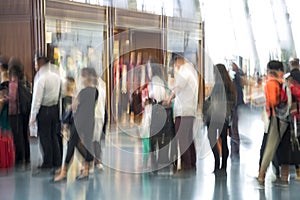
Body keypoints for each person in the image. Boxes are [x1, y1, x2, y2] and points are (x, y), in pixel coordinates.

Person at [52, 67, 99, 182]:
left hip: (78, 121)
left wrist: (66, 120)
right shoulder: (95, 92)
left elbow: (73, 106)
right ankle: (86, 169)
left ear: (86, 77)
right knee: (85, 143)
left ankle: (64, 172)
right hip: (90, 121)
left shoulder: (83, 92)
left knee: (71, 144)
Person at [257, 60, 289, 186]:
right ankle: (284, 176)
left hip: (275, 118)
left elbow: (272, 101)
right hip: (286, 117)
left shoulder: (271, 83)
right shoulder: (284, 82)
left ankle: (261, 175)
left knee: (269, 147)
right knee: (284, 147)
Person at [203, 64, 236, 176]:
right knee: (224, 141)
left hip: (214, 117)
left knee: (212, 139)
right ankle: (224, 167)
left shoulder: (218, 84)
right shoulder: (230, 85)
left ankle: (217, 163)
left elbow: (211, 100)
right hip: (225, 117)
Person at [168, 54, 198, 175]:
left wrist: (169, 98)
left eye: (175, 63)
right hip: (190, 110)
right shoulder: (192, 71)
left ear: (178, 60)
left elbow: (177, 88)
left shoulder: (184, 70)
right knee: (189, 138)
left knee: (182, 138)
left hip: (184, 110)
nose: (176, 66)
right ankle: (191, 163)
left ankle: (186, 165)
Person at [29, 56, 61, 169]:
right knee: (54, 135)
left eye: (35, 63)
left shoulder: (41, 77)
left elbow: (37, 99)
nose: (35, 66)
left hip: (44, 110)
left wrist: (32, 116)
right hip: (55, 108)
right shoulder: (56, 75)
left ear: (40, 64)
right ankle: (57, 160)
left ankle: (47, 162)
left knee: (45, 136)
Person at [7, 57, 31, 168]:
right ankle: (27, 157)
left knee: (18, 136)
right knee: (25, 135)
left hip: (16, 112)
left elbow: (12, 98)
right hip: (25, 110)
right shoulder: (24, 80)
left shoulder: (13, 81)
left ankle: (19, 159)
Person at [230, 62, 245, 158]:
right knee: (234, 126)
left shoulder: (236, 76)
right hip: (236, 102)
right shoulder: (237, 75)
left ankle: (235, 148)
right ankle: (234, 147)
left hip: (234, 103)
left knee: (234, 126)